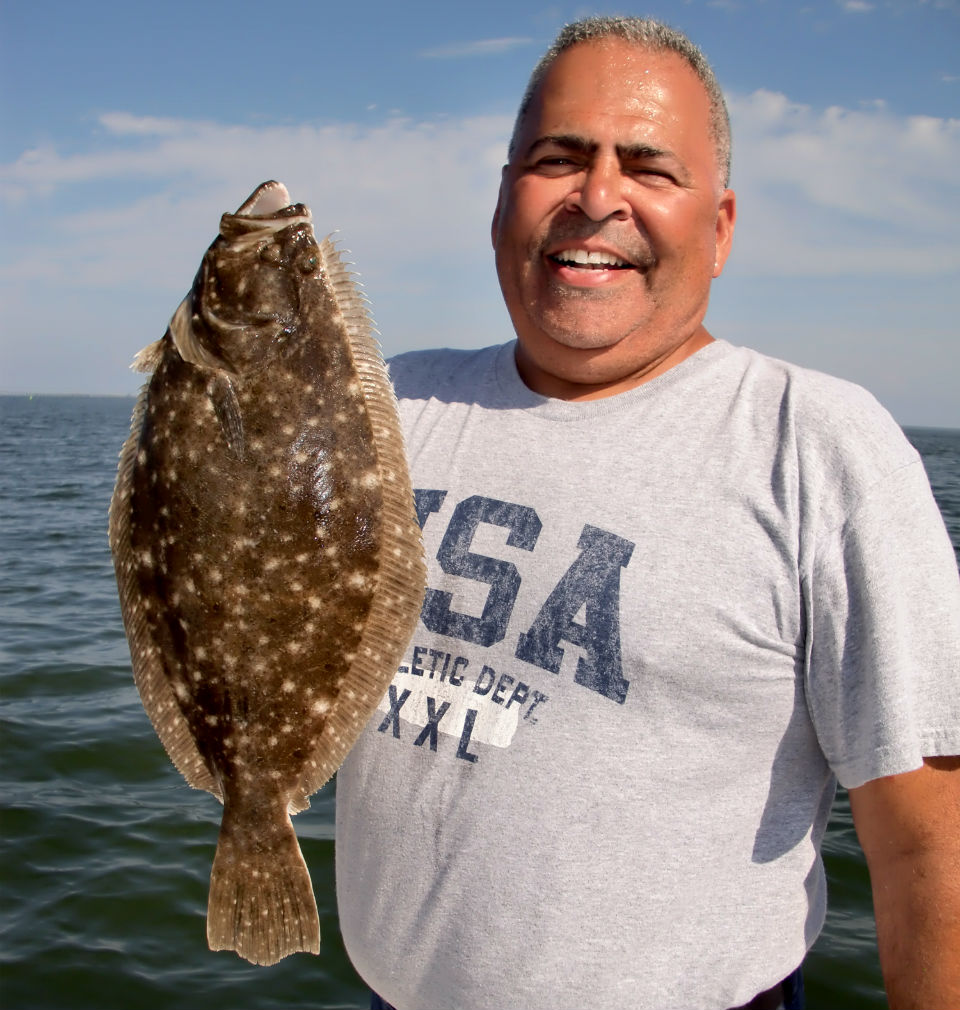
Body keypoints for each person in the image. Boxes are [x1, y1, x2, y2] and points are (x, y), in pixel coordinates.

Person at [334, 16, 960, 1010]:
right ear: (503, 198)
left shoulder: (819, 442)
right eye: (558, 158)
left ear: (720, 225)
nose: (596, 198)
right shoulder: (381, 405)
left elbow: (930, 834)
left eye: (650, 169)